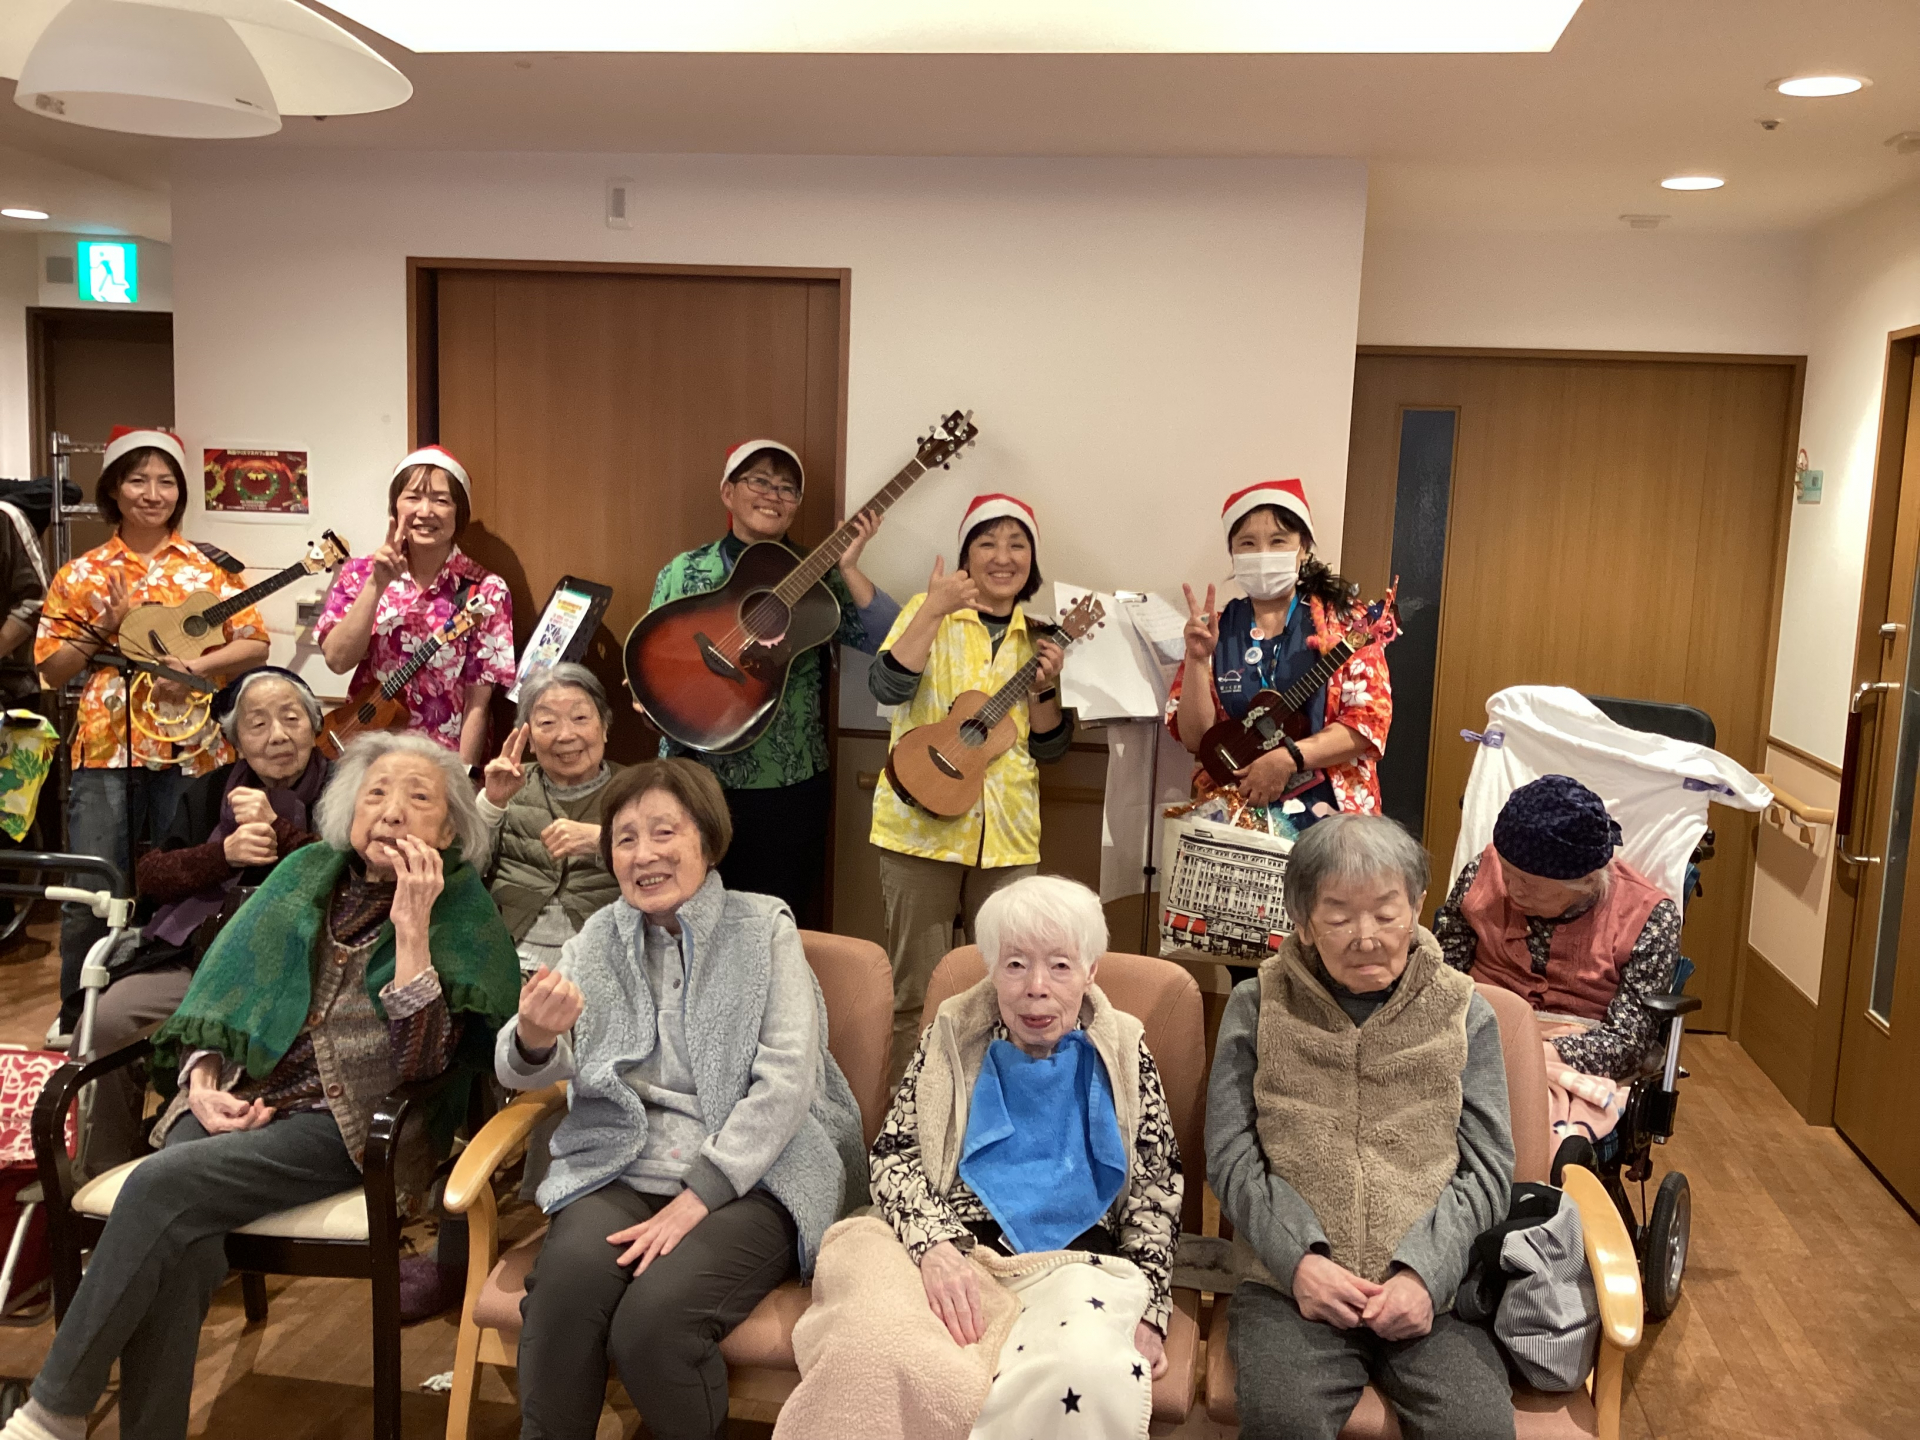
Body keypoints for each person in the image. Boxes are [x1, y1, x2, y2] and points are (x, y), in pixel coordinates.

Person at [1, 732, 520, 1440]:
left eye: (418, 798)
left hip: (348, 1125)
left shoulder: (461, 909)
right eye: (375, 793)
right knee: (182, 1238)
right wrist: (203, 1073)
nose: (392, 811)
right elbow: (224, 990)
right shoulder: (304, 873)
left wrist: (411, 932)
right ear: (348, 810)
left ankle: (53, 1411)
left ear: (451, 829)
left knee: (157, 1187)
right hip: (242, 1096)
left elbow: (425, 1067)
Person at [495, 757, 864, 1440]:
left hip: (753, 1177)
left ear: (707, 840)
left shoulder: (763, 927)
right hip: (619, 1166)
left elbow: (786, 1081)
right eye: (625, 838)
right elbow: (521, 1066)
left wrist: (701, 1194)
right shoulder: (597, 938)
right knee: (563, 1299)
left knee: (654, 1325)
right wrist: (536, 1036)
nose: (644, 855)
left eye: (665, 832)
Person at [777, 875, 1182, 1440]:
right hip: (951, 1244)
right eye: (1015, 964)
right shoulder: (952, 1032)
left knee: (1086, 1372)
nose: (1036, 988)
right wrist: (935, 1246)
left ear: (1090, 970)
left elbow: (1155, 1187)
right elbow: (894, 1156)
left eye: (1060, 966)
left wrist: (1151, 1309)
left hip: (1077, 1265)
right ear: (992, 967)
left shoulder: (1124, 1047)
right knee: (870, 1346)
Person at [1208, 814, 1515, 1440]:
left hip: (1435, 1291)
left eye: (1386, 912)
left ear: (1417, 907)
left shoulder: (1463, 1011)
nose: (1367, 937)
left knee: (1477, 1428)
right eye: (1340, 916)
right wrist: (1299, 1262)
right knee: (1284, 1421)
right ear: (1302, 919)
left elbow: (1488, 1168)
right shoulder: (1259, 1003)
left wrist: (1425, 1273)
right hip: (1289, 1286)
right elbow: (1230, 1155)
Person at [35, 426, 269, 1039]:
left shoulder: (207, 568)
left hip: (190, 743)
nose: (153, 493)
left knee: (185, 874)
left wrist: (196, 665)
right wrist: (102, 626)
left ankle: (164, 1005)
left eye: (166, 481)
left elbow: (255, 643)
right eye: (138, 479)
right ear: (113, 488)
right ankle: (76, 1012)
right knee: (94, 880)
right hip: (107, 743)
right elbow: (50, 669)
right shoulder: (82, 573)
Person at [86, 667, 331, 1172]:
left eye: (292, 718)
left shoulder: (345, 789)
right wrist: (224, 855)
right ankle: (104, 1170)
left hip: (302, 967)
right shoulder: (211, 790)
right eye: (258, 724)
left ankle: (207, 1161)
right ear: (236, 740)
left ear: (315, 725)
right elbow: (151, 875)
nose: (278, 735)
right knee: (107, 1020)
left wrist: (279, 830)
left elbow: (348, 876)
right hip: (199, 955)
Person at [645, 439, 897, 926]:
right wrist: (649, 696)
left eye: (787, 489)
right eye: (759, 481)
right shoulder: (685, 571)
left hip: (789, 781)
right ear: (728, 492)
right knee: (686, 915)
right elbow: (651, 654)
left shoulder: (816, 574)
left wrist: (849, 567)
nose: (772, 495)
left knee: (776, 922)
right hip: (694, 775)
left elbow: (892, 639)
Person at [868, 494, 1072, 1079]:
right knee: (917, 991)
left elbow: (1049, 747)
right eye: (987, 542)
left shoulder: (1039, 639)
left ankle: (993, 1107)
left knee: (1011, 990)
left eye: (1017, 544)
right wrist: (934, 609)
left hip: (1007, 838)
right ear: (965, 555)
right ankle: (910, 1111)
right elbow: (886, 686)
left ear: (1032, 561)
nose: (1002, 556)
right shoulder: (925, 610)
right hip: (920, 827)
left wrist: (1045, 687)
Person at [1433, 773, 1681, 1147]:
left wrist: (1526, 1057)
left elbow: (1628, 1043)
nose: (1512, 890)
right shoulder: (1481, 875)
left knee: (1522, 1130)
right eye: (1507, 872)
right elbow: (1441, 978)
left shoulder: (1648, 917)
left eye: (1531, 884)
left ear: (1587, 881)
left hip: (1575, 1053)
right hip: (1477, 1030)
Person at [1169, 479, 1392, 835]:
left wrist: (1289, 759)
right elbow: (1196, 739)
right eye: (1247, 543)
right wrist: (1197, 660)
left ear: (1303, 548)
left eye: (1278, 541)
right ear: (1232, 553)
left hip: (1332, 818)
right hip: (1236, 813)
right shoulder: (1219, 627)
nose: (1262, 554)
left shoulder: (1346, 622)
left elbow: (1367, 721)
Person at [316, 445, 515, 765]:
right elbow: (338, 660)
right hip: (368, 752)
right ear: (395, 507)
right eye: (413, 497)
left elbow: (478, 701)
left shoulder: (486, 589)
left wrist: (462, 777)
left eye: (441, 500)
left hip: (441, 761)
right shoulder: (359, 573)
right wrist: (376, 585)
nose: (425, 511)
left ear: (459, 512)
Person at [481, 661, 626, 973]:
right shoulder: (509, 783)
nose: (565, 734)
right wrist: (492, 803)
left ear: (604, 727)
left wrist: (603, 840)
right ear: (530, 739)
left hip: (605, 960)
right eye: (547, 722)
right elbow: (467, 868)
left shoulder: (636, 791)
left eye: (580, 718)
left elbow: (671, 865)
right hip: (511, 958)